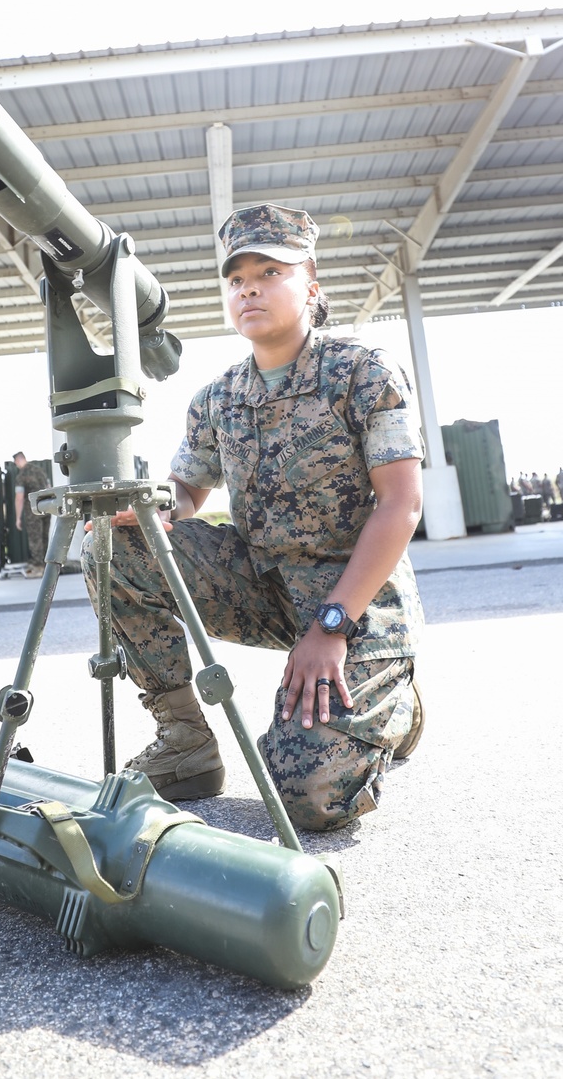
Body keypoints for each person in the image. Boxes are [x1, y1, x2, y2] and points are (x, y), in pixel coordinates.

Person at [82, 203, 426, 832]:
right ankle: (184, 739)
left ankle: (395, 706)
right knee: (111, 547)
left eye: (270, 272)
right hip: (266, 588)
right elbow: (186, 491)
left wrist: (331, 626)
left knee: (305, 799)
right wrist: (151, 512)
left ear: (311, 288)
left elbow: (401, 506)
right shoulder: (219, 397)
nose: (249, 289)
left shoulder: (362, 374)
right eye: (237, 279)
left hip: (356, 599)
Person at [14, 452, 51, 577]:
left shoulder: (21, 475)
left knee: (35, 540)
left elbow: (19, 498)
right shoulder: (40, 470)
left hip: (33, 512)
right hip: (46, 508)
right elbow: (49, 487)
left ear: (17, 462)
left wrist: (18, 518)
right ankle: (48, 567)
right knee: (45, 538)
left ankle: (38, 567)